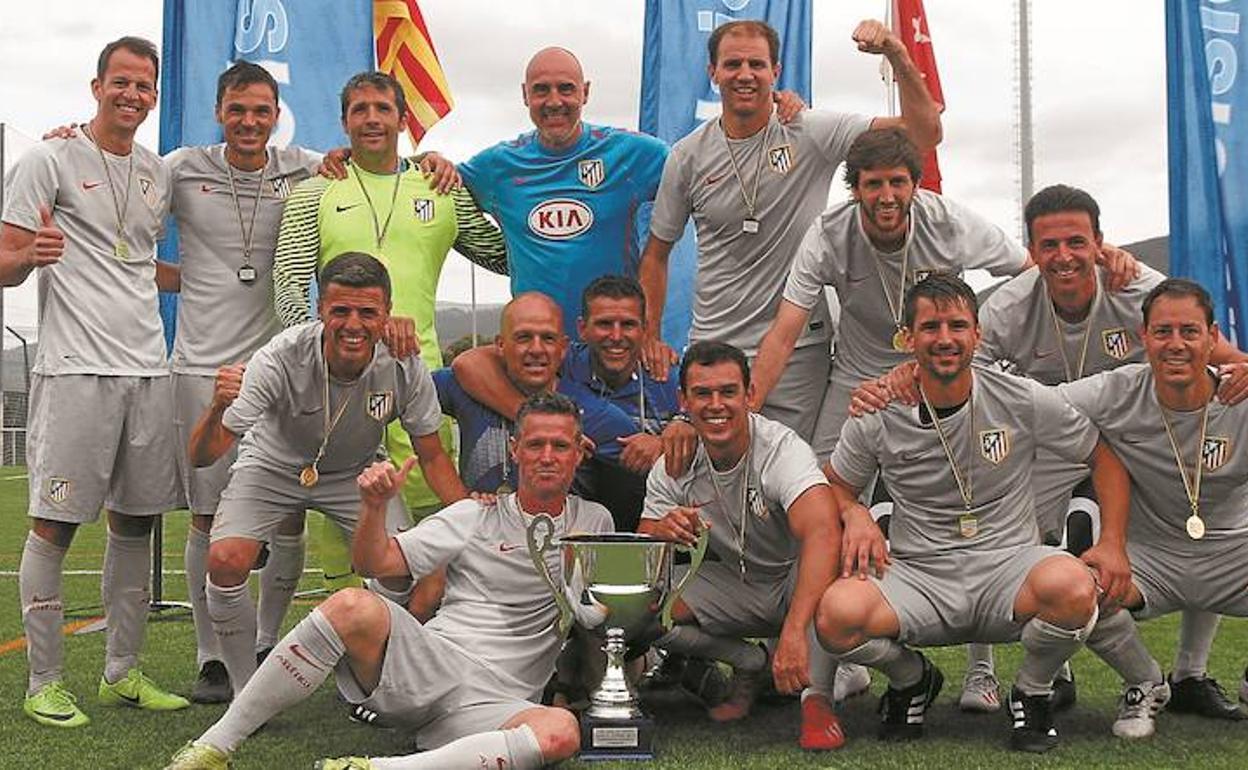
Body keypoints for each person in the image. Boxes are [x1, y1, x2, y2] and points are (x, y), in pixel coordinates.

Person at [164, 391, 613, 770]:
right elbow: (375, 562)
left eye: (560, 445)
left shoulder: (596, 521)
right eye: (535, 445)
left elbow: (604, 611)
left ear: (579, 450)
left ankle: (374, 769)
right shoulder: (474, 514)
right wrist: (374, 508)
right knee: (351, 605)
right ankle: (214, 747)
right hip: (432, 667)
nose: (547, 457)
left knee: (560, 734)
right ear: (514, 450)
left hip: (500, 701)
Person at [815, 274, 1125, 753]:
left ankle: (1033, 691)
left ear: (977, 335)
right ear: (908, 338)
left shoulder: (1019, 397)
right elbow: (834, 485)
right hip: (919, 573)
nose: (944, 339)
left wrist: (1111, 545)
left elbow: (1102, 456)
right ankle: (912, 678)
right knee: (837, 615)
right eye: (931, 326)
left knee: (1074, 587)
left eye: (957, 325)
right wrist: (854, 513)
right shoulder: (877, 409)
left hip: (1007, 566)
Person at [0, 36, 188, 727]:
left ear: (154, 95)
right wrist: (31, 257)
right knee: (53, 525)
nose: (132, 95)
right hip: (75, 370)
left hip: (147, 369)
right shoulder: (47, 158)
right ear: (96, 85)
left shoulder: (155, 172)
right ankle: (43, 682)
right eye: (122, 83)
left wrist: (216, 285)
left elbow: (136, 263)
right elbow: (6, 261)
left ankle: (122, 673)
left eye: (144, 86)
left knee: (135, 524)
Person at [639, 18, 942, 440]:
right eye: (732, 64)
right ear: (712, 73)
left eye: (757, 65)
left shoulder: (810, 131)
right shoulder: (687, 156)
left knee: (787, 481)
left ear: (776, 72)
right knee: (712, 483)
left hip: (800, 353)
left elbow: (924, 134)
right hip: (716, 345)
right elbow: (656, 252)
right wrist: (650, 335)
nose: (745, 75)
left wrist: (896, 52)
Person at [189, 253, 467, 697]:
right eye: (340, 311)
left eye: (367, 313)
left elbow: (432, 455)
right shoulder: (279, 356)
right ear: (321, 310)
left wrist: (471, 517)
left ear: (387, 314)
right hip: (272, 463)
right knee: (224, 561)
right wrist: (217, 406)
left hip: (356, 471)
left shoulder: (403, 363)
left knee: (402, 569)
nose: (353, 324)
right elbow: (205, 454)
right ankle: (246, 690)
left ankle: (374, 674)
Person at [271, 70, 506, 520]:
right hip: (336, 374)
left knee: (426, 502)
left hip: (419, 372)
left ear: (402, 120)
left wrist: (526, 206)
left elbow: (503, 257)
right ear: (345, 122)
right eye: (360, 109)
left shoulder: (441, 189)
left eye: (383, 108)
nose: (372, 119)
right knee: (337, 505)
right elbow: (287, 283)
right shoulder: (315, 192)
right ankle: (345, 594)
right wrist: (319, 350)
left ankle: (425, 592)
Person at [164, 61, 320, 704]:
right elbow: (116, 196)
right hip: (201, 367)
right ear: (219, 111)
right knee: (206, 516)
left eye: (262, 110)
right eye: (238, 110)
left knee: (285, 513)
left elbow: (373, 157)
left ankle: (263, 641)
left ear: (277, 112)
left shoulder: (305, 166)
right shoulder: (180, 168)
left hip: (281, 367)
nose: (250, 122)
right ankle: (211, 658)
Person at [1049, 278, 1248, 738]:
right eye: (1162, 332)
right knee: (1075, 592)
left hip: (1233, 555)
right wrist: (913, 376)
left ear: (1213, 338)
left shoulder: (1239, 396)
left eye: (1189, 332)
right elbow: (1026, 403)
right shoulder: (1117, 390)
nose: (1175, 345)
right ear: (1144, 339)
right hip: (1150, 557)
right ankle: (1145, 682)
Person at [638, 341, 846, 751]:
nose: (716, 405)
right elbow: (643, 540)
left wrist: (792, 632)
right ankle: (748, 662)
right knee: (639, 607)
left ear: (750, 395)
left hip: (793, 576)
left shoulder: (781, 449)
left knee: (836, 584)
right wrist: (663, 528)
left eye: (728, 391)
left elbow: (822, 531)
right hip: (735, 581)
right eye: (703, 393)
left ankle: (817, 702)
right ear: (684, 400)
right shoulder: (676, 460)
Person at [449, 276, 681, 530]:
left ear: (645, 330)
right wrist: (462, 505)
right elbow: (465, 363)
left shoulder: (665, 377)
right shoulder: (565, 361)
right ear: (582, 329)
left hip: (586, 530)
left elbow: (712, 430)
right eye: (604, 324)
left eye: (627, 324)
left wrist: (666, 442)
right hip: (486, 534)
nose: (616, 336)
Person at [433, 291, 639, 499]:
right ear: (500, 345)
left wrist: (662, 441)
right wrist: (461, 508)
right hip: (477, 530)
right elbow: (408, 393)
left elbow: (642, 496)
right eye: (524, 337)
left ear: (563, 347)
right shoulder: (464, 388)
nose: (536, 349)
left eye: (548, 338)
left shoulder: (601, 418)